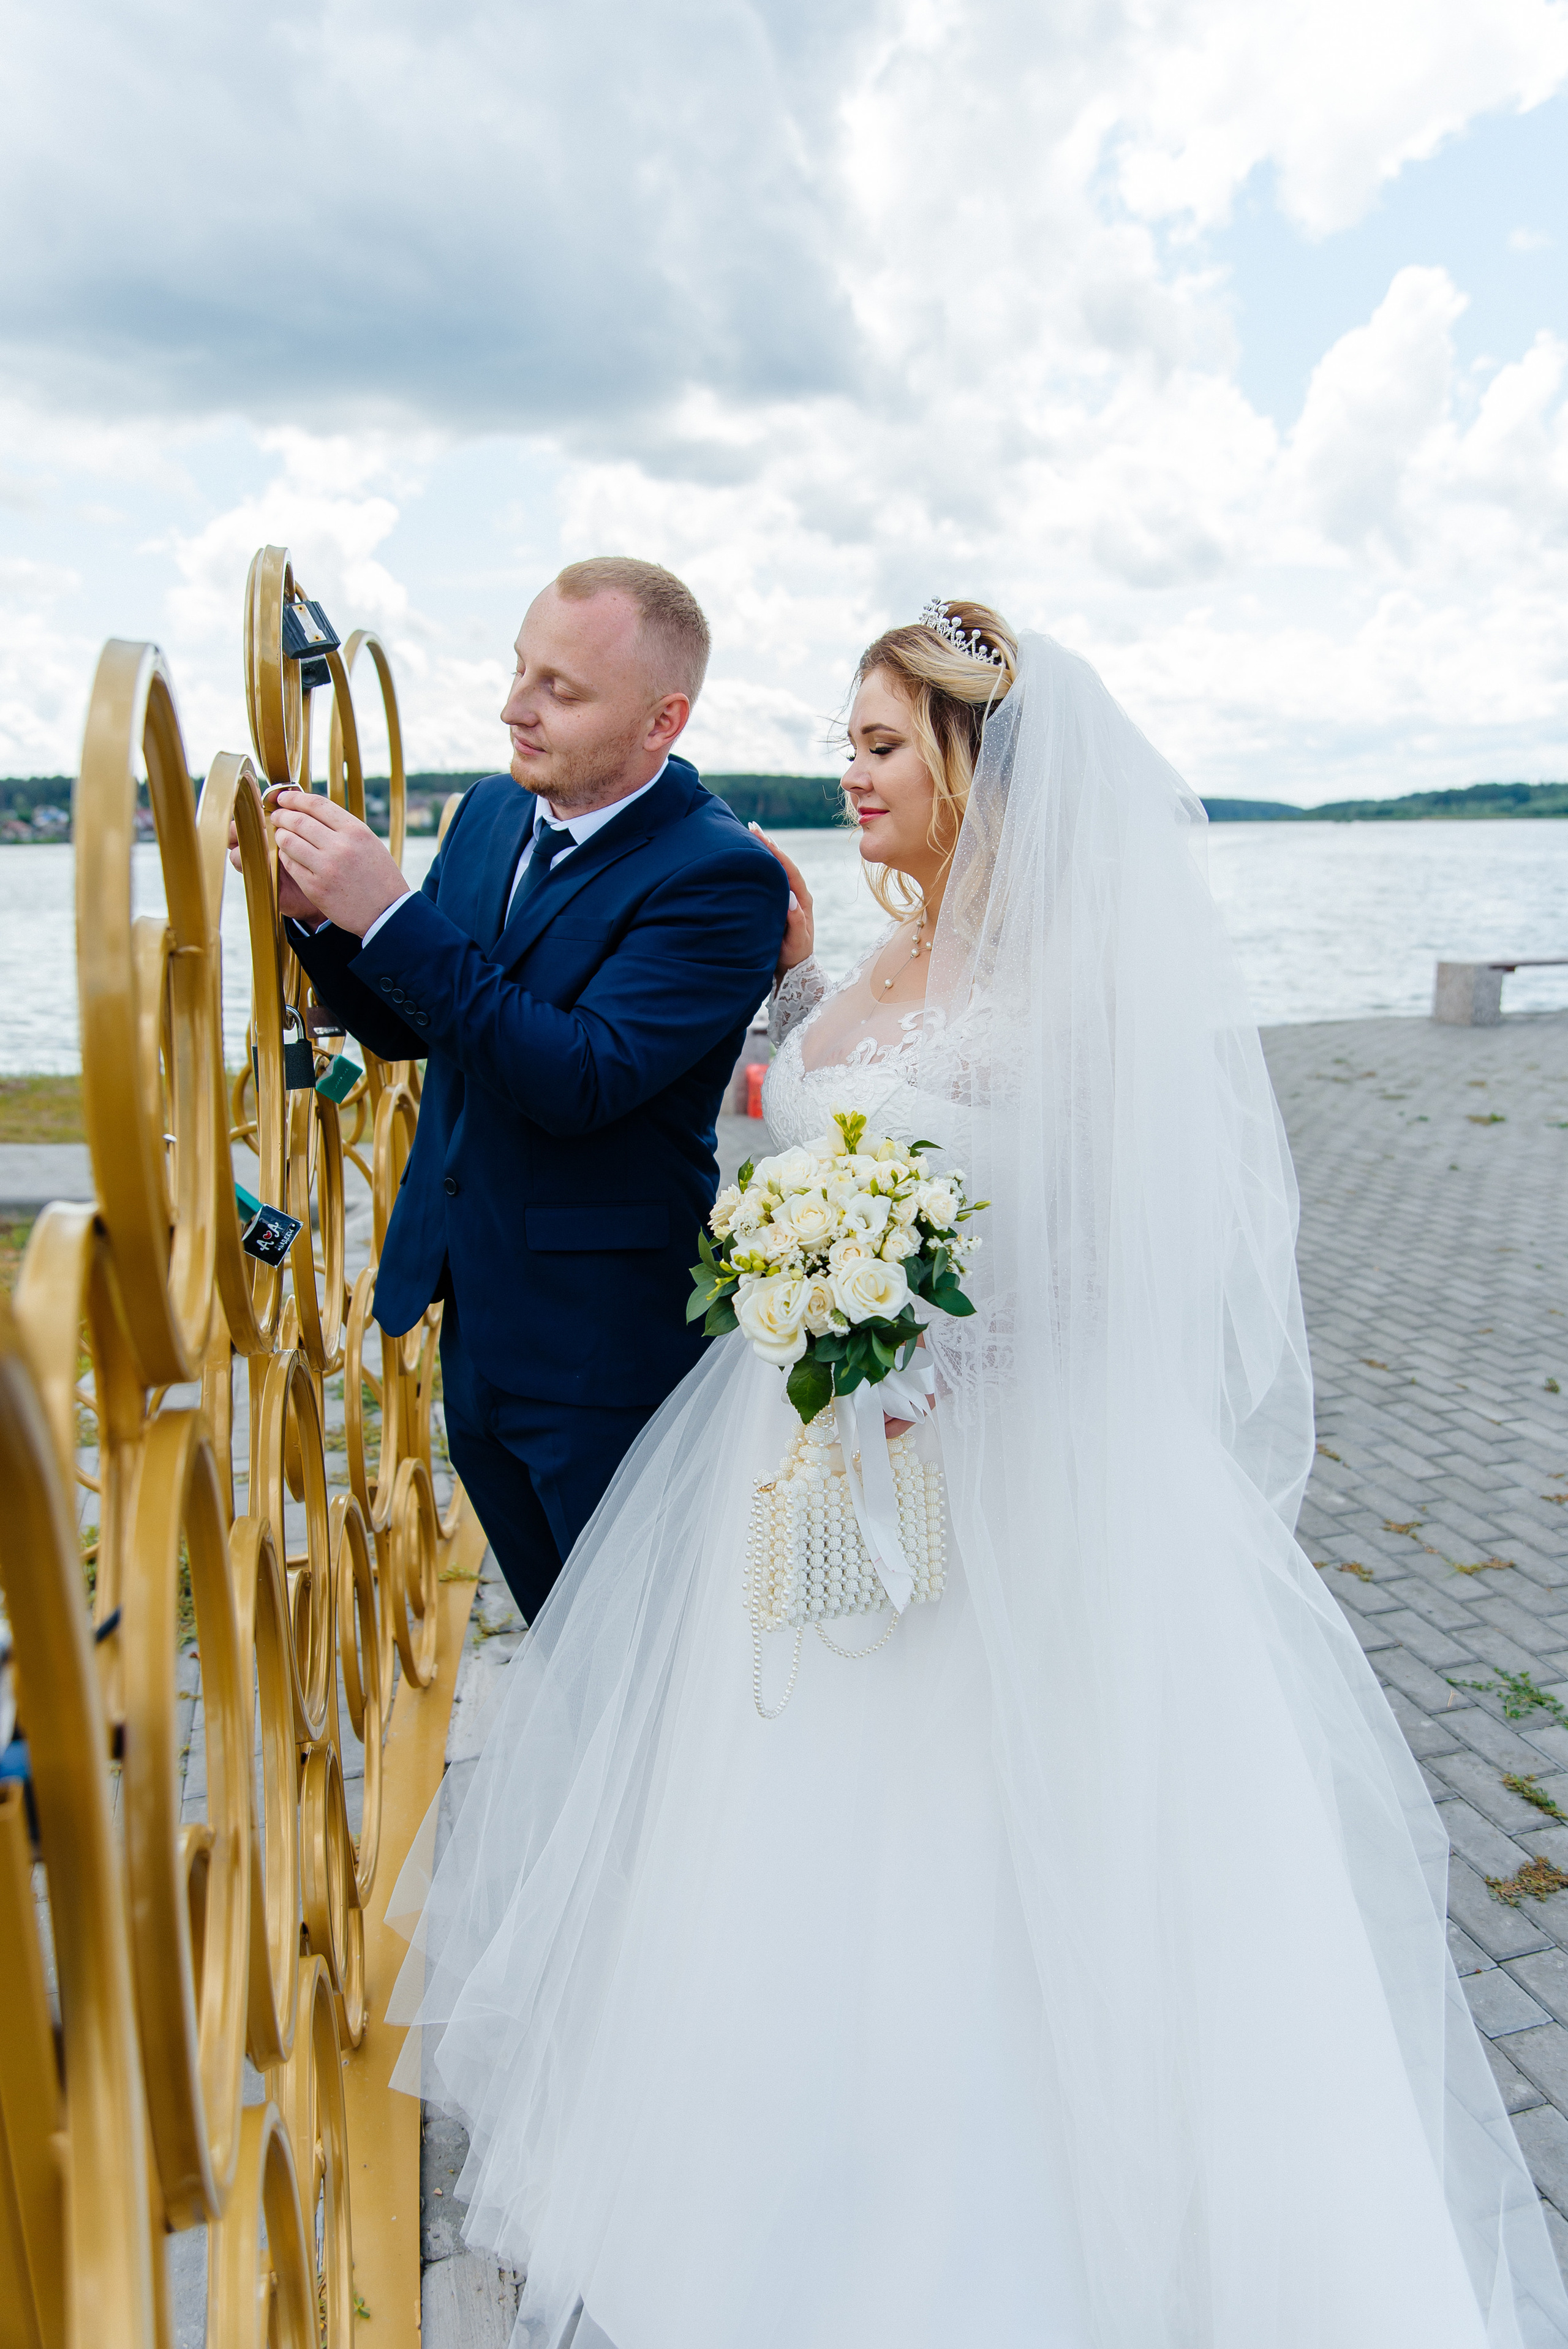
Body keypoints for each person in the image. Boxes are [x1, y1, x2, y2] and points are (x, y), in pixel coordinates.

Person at [389, 605, 1568, 2348]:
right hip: (809, 1461)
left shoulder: (1082, 991)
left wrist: (931, 1349)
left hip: (1002, 1488)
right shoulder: (880, 952)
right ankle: (799, 2176)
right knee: (789, 1842)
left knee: (983, 1868)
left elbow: (1127, 1251)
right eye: (848, 743)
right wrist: (798, 1069)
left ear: (971, 769)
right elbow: (820, 1113)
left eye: (879, 747)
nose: (847, 777)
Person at [262, 557, 788, 1622]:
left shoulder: (722, 875)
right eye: (519, 669)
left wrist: (391, 912)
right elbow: (415, 1025)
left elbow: (579, 1077)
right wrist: (321, 915)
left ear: (662, 720)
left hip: (609, 1352)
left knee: (638, 1659)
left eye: (562, 688)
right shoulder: (491, 812)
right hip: (476, 1325)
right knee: (558, 1647)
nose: (515, 707)